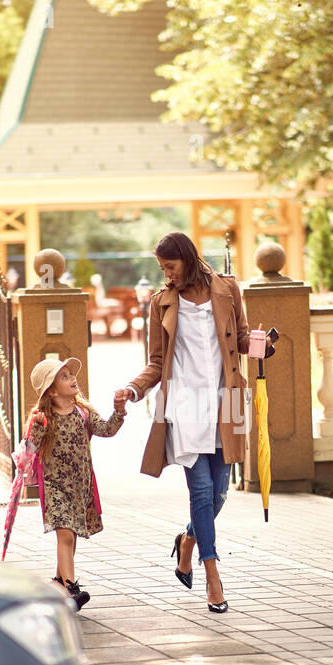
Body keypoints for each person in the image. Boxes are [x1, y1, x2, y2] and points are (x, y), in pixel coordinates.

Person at [115, 232, 254, 614]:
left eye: (171, 267)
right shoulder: (161, 303)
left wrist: (260, 346)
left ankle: (188, 540)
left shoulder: (227, 289)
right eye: (162, 269)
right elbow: (157, 362)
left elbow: (241, 339)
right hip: (185, 407)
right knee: (203, 494)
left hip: (225, 402)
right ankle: (213, 577)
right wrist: (133, 388)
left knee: (221, 495)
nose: (167, 275)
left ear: (188, 259)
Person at [25, 357, 125, 609]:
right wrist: (36, 428)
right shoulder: (43, 418)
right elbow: (29, 449)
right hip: (55, 486)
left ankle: (60, 580)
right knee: (66, 534)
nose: (72, 379)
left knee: (72, 537)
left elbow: (106, 429)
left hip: (80, 487)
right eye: (65, 376)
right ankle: (70, 587)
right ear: (51, 390)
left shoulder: (84, 412)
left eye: (71, 374)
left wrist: (119, 411)